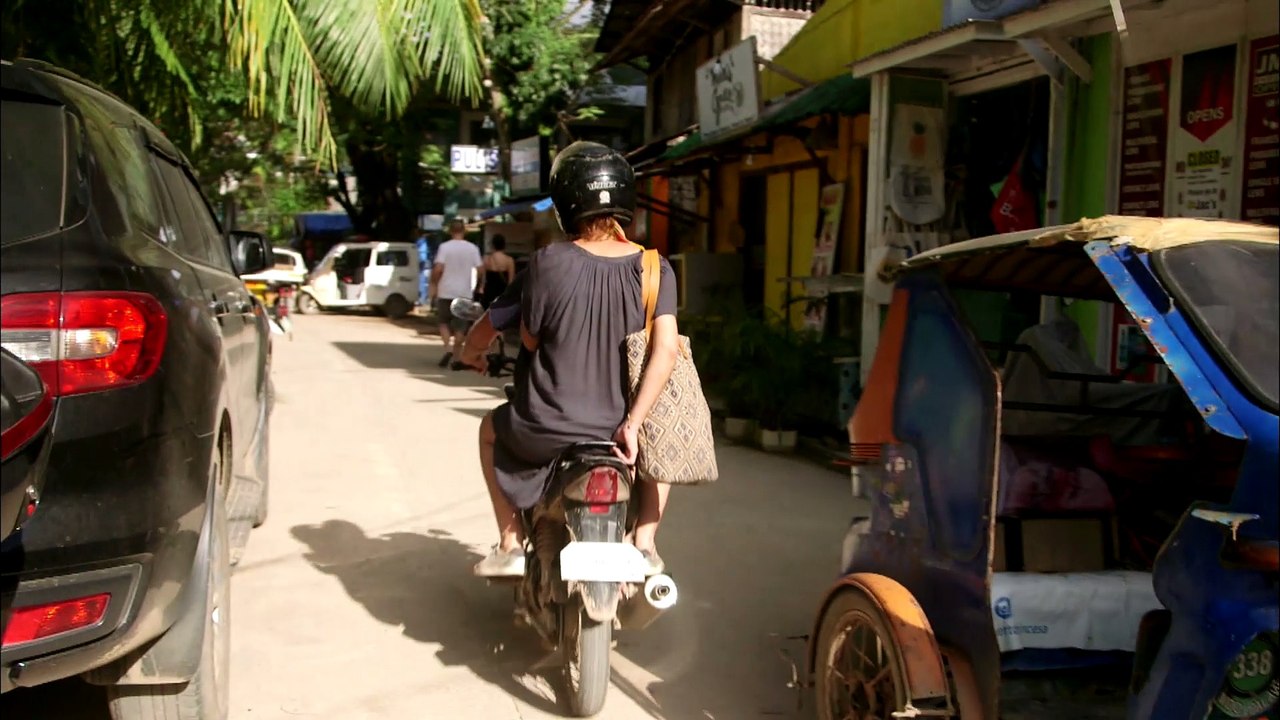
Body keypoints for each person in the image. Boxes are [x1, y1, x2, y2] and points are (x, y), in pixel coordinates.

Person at [459, 141, 681, 578]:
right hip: (622, 439)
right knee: (662, 443)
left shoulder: (547, 263)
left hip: (545, 429)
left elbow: (526, 336)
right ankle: (645, 543)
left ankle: (509, 543)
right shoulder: (656, 268)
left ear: (563, 204)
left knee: (489, 430)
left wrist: (470, 353)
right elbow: (667, 350)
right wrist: (633, 424)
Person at [429, 218, 485, 367]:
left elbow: (438, 269)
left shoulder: (444, 247)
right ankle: (456, 355)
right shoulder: (472, 248)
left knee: (443, 322)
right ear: (464, 231)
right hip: (464, 292)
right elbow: (480, 270)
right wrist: (479, 285)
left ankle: (447, 348)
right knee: (461, 325)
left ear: (450, 231)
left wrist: (434, 283)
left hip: (445, 290)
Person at [481, 234, 516, 308]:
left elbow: (483, 278)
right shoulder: (509, 260)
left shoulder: (486, 259)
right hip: (502, 291)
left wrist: (481, 288)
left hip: (489, 291)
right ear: (504, 245)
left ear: (493, 245)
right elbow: (511, 281)